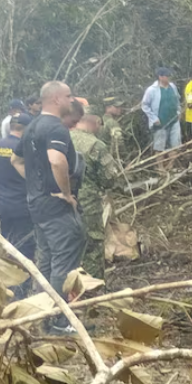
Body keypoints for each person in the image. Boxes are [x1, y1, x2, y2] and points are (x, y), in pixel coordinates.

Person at [19, 82, 85, 319]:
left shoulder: (32, 126)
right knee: (64, 263)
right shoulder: (56, 128)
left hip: (37, 205)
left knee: (46, 261)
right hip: (56, 208)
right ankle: (59, 319)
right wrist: (66, 193)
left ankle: (43, 316)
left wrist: (36, 185)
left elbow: (16, 161)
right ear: (56, 99)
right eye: (68, 96)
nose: (71, 99)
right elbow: (57, 160)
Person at [0, 114, 35, 261]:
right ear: (27, 129)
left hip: (2, 203)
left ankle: (8, 278)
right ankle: (22, 283)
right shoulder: (25, 148)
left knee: (8, 243)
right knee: (25, 247)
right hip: (23, 204)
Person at [71, 113, 112, 276]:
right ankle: (92, 287)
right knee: (93, 243)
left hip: (61, 200)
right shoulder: (95, 145)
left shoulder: (61, 137)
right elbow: (109, 178)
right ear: (96, 122)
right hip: (88, 202)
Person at [141, 67, 181, 151]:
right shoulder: (151, 90)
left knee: (176, 145)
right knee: (159, 147)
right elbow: (145, 105)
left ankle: (170, 164)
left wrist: (179, 112)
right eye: (167, 75)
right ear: (160, 77)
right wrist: (153, 118)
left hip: (174, 120)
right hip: (160, 123)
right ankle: (160, 164)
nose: (169, 77)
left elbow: (177, 100)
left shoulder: (172, 87)